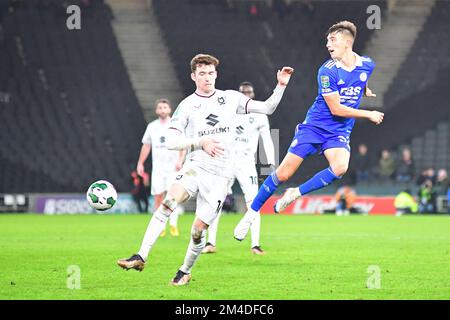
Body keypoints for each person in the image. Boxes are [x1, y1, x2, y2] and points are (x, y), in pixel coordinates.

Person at [117, 54, 294, 285]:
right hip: (196, 166)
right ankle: (141, 255)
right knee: (168, 203)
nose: (207, 77)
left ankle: (185, 270)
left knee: (197, 231)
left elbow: (267, 108)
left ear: (216, 74)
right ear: (193, 76)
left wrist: (280, 85)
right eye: (202, 73)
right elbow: (171, 141)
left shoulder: (231, 98)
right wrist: (201, 143)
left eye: (211, 73)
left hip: (221, 175)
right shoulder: (187, 105)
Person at [234, 21, 384, 240]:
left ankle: (295, 193)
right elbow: (336, 108)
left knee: (340, 168)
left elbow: (361, 79)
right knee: (284, 173)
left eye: (332, 40)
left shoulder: (367, 64)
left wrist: (365, 89)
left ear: (348, 42)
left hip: (339, 130)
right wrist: (368, 113)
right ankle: (250, 215)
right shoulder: (326, 70)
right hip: (314, 127)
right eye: (327, 40)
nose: (328, 44)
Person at [202, 81, 276, 255]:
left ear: (253, 94)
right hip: (225, 160)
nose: (246, 94)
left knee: (254, 201)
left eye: (249, 92)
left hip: (246, 162)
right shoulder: (228, 111)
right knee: (216, 201)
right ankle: (210, 242)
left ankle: (255, 244)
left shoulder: (260, 115)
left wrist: (270, 164)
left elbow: (268, 140)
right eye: (243, 92)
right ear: (239, 93)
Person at [136, 98, 186, 237]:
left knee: (172, 197)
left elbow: (182, 145)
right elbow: (146, 145)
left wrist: (180, 160)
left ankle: (173, 225)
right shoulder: (152, 126)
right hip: (158, 168)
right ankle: (160, 226)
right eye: (160, 108)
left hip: (173, 168)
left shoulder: (175, 125)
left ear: (169, 110)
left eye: (165, 107)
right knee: (158, 197)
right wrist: (140, 163)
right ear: (157, 110)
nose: (162, 110)